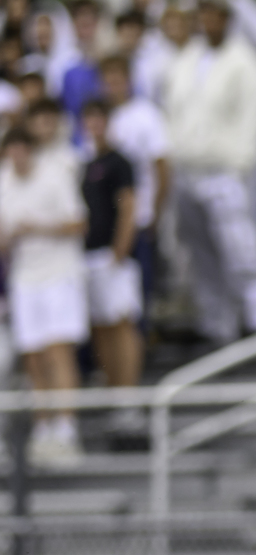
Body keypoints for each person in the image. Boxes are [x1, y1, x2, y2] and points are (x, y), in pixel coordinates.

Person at [162, 0, 256, 344]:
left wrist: (241, 163)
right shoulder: (186, 60)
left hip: (225, 169)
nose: (208, 21)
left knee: (241, 247)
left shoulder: (245, 62)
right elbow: (174, 111)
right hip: (187, 169)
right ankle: (217, 322)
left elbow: (253, 117)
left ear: (226, 19)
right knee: (201, 252)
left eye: (215, 15)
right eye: (203, 15)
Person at [0, 123, 85, 461]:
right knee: (33, 355)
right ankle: (43, 425)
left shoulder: (55, 175)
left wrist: (38, 227)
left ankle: (66, 425)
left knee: (57, 351)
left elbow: (78, 223)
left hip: (60, 273)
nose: (17, 156)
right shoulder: (4, 181)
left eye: (22, 148)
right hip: (25, 278)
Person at [98, 53, 168, 311]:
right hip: (107, 223)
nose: (113, 85)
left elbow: (163, 169)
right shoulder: (99, 118)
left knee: (141, 293)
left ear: (128, 80)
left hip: (140, 218)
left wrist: (155, 214)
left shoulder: (146, 115)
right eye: (108, 79)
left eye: (118, 79)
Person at [78, 97, 140, 384]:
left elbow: (128, 206)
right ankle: (114, 390)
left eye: (99, 119)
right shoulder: (87, 164)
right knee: (101, 326)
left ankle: (128, 393)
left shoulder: (120, 162)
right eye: (89, 119)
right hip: (89, 254)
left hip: (112, 253)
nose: (94, 126)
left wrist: (120, 250)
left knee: (121, 323)